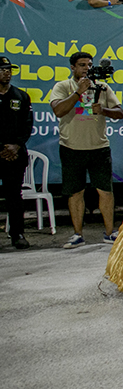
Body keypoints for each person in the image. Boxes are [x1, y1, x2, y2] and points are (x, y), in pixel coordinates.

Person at [50, 52, 123, 248]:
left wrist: (104, 110)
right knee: (76, 193)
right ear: (72, 67)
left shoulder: (102, 87)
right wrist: (77, 93)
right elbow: (58, 110)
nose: (86, 68)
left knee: (106, 192)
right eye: (82, 65)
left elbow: (119, 113)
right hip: (71, 147)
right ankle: (77, 235)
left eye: (89, 65)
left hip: (99, 147)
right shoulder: (63, 86)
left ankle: (109, 233)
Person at [0, 56, 32, 250]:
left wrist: (16, 146)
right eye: (2, 69)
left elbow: (27, 124)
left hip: (15, 154)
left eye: (9, 69)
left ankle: (18, 234)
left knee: (14, 195)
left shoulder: (20, 96)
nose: (7, 72)